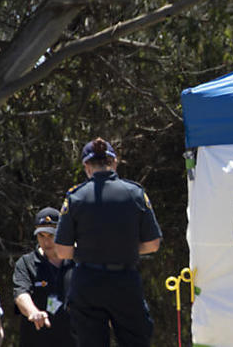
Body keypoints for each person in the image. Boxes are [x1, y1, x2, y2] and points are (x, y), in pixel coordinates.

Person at [55, 137, 163, 347]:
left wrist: (85, 253)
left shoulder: (75, 197)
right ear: (114, 162)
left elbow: (62, 251)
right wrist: (126, 249)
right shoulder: (135, 193)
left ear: (87, 166)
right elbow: (153, 244)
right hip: (124, 280)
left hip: (88, 282)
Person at [13, 206, 75, 346]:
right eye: (41, 236)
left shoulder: (77, 261)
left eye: (51, 236)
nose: (46, 242)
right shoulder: (26, 263)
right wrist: (33, 312)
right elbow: (21, 294)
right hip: (36, 340)